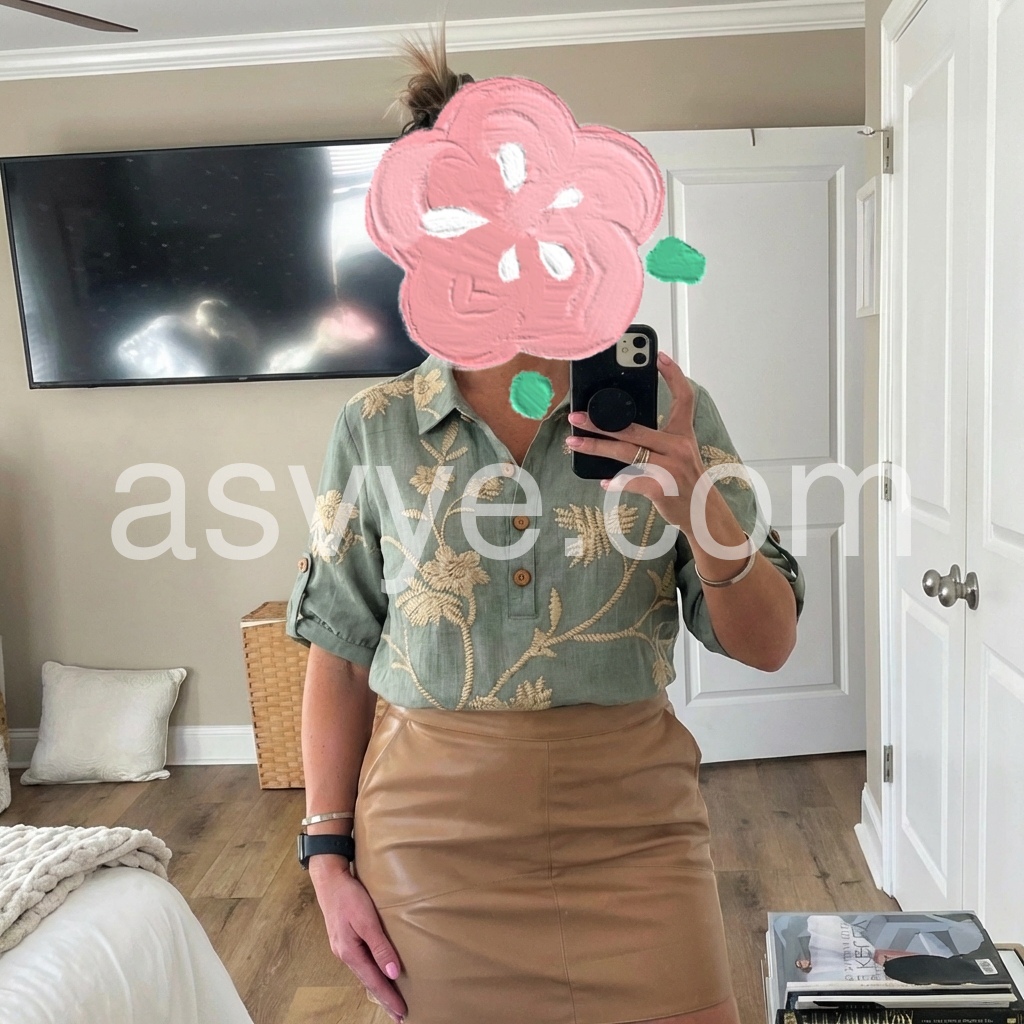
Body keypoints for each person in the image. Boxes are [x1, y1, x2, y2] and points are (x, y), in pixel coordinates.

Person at [285, 30, 805, 1024]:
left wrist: (701, 510)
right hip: (432, 846)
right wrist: (325, 855)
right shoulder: (376, 426)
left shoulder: (666, 409)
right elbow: (340, 650)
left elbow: (768, 644)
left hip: (639, 836)